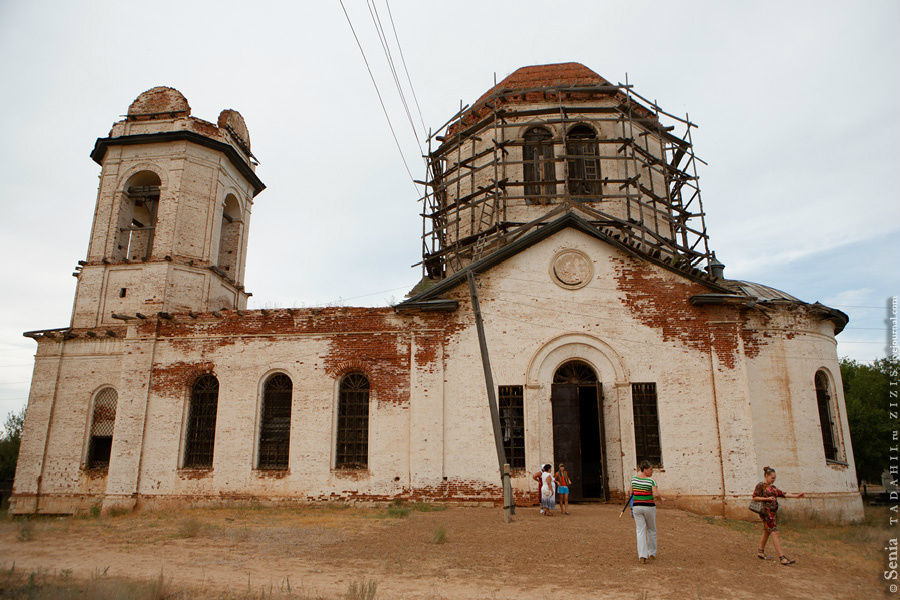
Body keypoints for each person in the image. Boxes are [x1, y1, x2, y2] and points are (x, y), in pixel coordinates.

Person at [753, 466, 804, 565]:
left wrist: (796, 496)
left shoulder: (773, 488)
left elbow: (783, 494)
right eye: (772, 478)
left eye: (774, 478)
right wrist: (767, 499)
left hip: (773, 513)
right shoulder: (760, 486)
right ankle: (782, 558)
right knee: (775, 532)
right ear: (766, 476)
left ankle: (760, 551)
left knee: (767, 531)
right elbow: (755, 497)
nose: (773, 480)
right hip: (766, 513)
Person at [629, 461, 663, 564]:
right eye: (650, 470)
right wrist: (660, 499)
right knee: (651, 529)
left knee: (640, 531)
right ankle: (651, 553)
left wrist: (632, 508)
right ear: (644, 469)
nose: (652, 472)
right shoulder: (651, 481)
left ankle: (642, 555)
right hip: (649, 507)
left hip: (637, 507)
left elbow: (631, 493)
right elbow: (656, 494)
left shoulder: (633, 480)